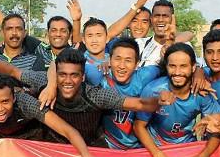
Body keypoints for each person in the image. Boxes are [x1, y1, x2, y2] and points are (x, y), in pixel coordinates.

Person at [36, 48, 166, 146]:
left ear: (137, 63)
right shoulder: (98, 74)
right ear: (109, 60)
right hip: (107, 146)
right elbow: (57, 63)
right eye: (117, 59)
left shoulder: (147, 74)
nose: (121, 65)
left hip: (133, 148)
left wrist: (161, 99)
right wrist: (51, 85)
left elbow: (140, 103)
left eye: (128, 60)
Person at [134, 43, 220, 157]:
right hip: (155, 148)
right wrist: (158, 156)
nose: (177, 72)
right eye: (172, 66)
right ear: (166, 67)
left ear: (193, 67)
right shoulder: (153, 89)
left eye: (183, 66)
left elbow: (218, 129)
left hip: (186, 148)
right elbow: (138, 126)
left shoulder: (201, 93)